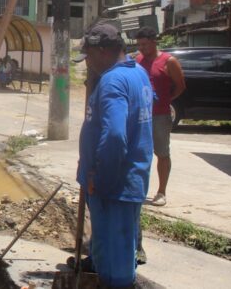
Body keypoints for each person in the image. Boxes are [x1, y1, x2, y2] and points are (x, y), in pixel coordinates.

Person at [74, 23, 153, 289]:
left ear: (104, 51)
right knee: (114, 251)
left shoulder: (112, 81)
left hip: (114, 186)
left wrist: (100, 177)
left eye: (90, 56)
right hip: (129, 180)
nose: (88, 64)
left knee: (115, 265)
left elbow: (116, 136)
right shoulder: (139, 73)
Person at [134, 27, 186, 207]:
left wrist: (167, 100)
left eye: (145, 44)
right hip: (141, 115)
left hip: (160, 115)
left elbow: (180, 86)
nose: (141, 48)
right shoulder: (138, 60)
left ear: (154, 42)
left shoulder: (169, 61)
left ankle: (161, 191)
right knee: (140, 152)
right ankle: (139, 190)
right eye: (139, 44)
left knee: (162, 153)